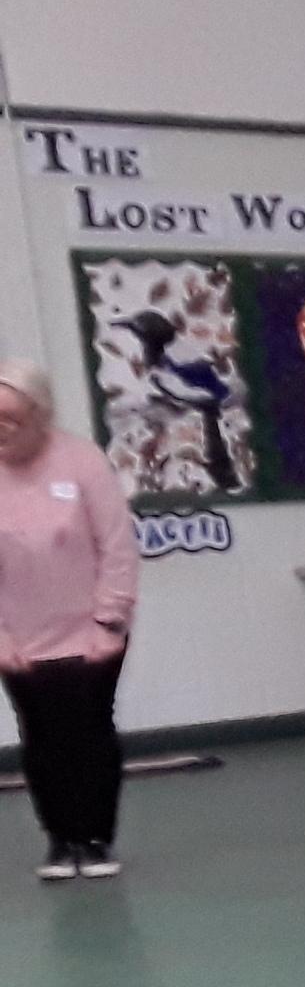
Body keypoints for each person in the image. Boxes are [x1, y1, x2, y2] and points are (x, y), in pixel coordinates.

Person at [0, 355, 140, 881]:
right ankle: (60, 840)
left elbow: (117, 548)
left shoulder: (82, 463)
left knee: (90, 731)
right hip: (18, 635)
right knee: (39, 735)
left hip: (90, 631)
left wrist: (110, 621)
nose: (1, 430)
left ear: (40, 416)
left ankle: (96, 838)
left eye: (11, 419)